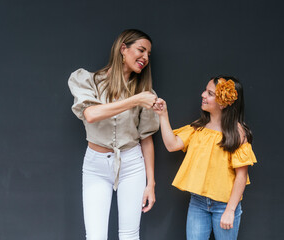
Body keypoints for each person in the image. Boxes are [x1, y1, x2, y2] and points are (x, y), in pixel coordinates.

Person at [68, 29, 159, 240]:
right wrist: (135, 100)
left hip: (132, 163)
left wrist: (151, 184)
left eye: (148, 54)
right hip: (96, 165)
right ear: (123, 48)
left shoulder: (145, 93)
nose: (145, 58)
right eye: (141, 50)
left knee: (129, 236)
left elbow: (146, 138)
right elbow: (91, 114)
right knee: (95, 237)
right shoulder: (88, 81)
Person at [153, 76, 257, 240]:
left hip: (225, 205)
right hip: (198, 203)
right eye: (205, 91)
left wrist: (230, 210)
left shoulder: (237, 133)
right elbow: (172, 145)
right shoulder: (199, 127)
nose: (203, 95)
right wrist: (163, 115)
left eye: (210, 93)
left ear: (223, 102)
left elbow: (241, 176)